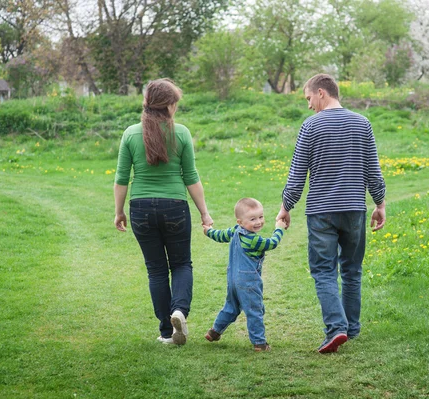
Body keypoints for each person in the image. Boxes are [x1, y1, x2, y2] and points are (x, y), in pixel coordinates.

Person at [276, 73, 386, 354]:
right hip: (354, 210)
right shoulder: (362, 123)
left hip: (321, 212)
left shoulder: (310, 126)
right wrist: (380, 203)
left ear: (322, 93)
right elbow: (373, 170)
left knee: (324, 271)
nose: (309, 105)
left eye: (309, 98)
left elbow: (298, 172)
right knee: (352, 270)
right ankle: (352, 328)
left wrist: (286, 207)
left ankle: (337, 328)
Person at [113, 78, 213, 346]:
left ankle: (167, 332)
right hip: (175, 207)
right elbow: (190, 176)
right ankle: (179, 311)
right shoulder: (181, 133)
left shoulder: (130, 133)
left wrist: (119, 211)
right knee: (181, 264)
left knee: (156, 270)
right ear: (168, 106)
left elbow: (122, 178)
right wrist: (204, 213)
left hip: (141, 208)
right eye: (175, 104)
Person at [203, 198, 286, 351]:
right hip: (248, 282)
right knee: (254, 310)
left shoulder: (235, 230)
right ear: (240, 221)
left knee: (231, 307)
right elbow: (271, 243)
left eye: (261, 217)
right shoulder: (252, 239)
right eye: (252, 219)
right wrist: (279, 228)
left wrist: (208, 231)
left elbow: (220, 235)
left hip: (233, 280)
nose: (258, 222)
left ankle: (214, 332)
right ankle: (259, 343)